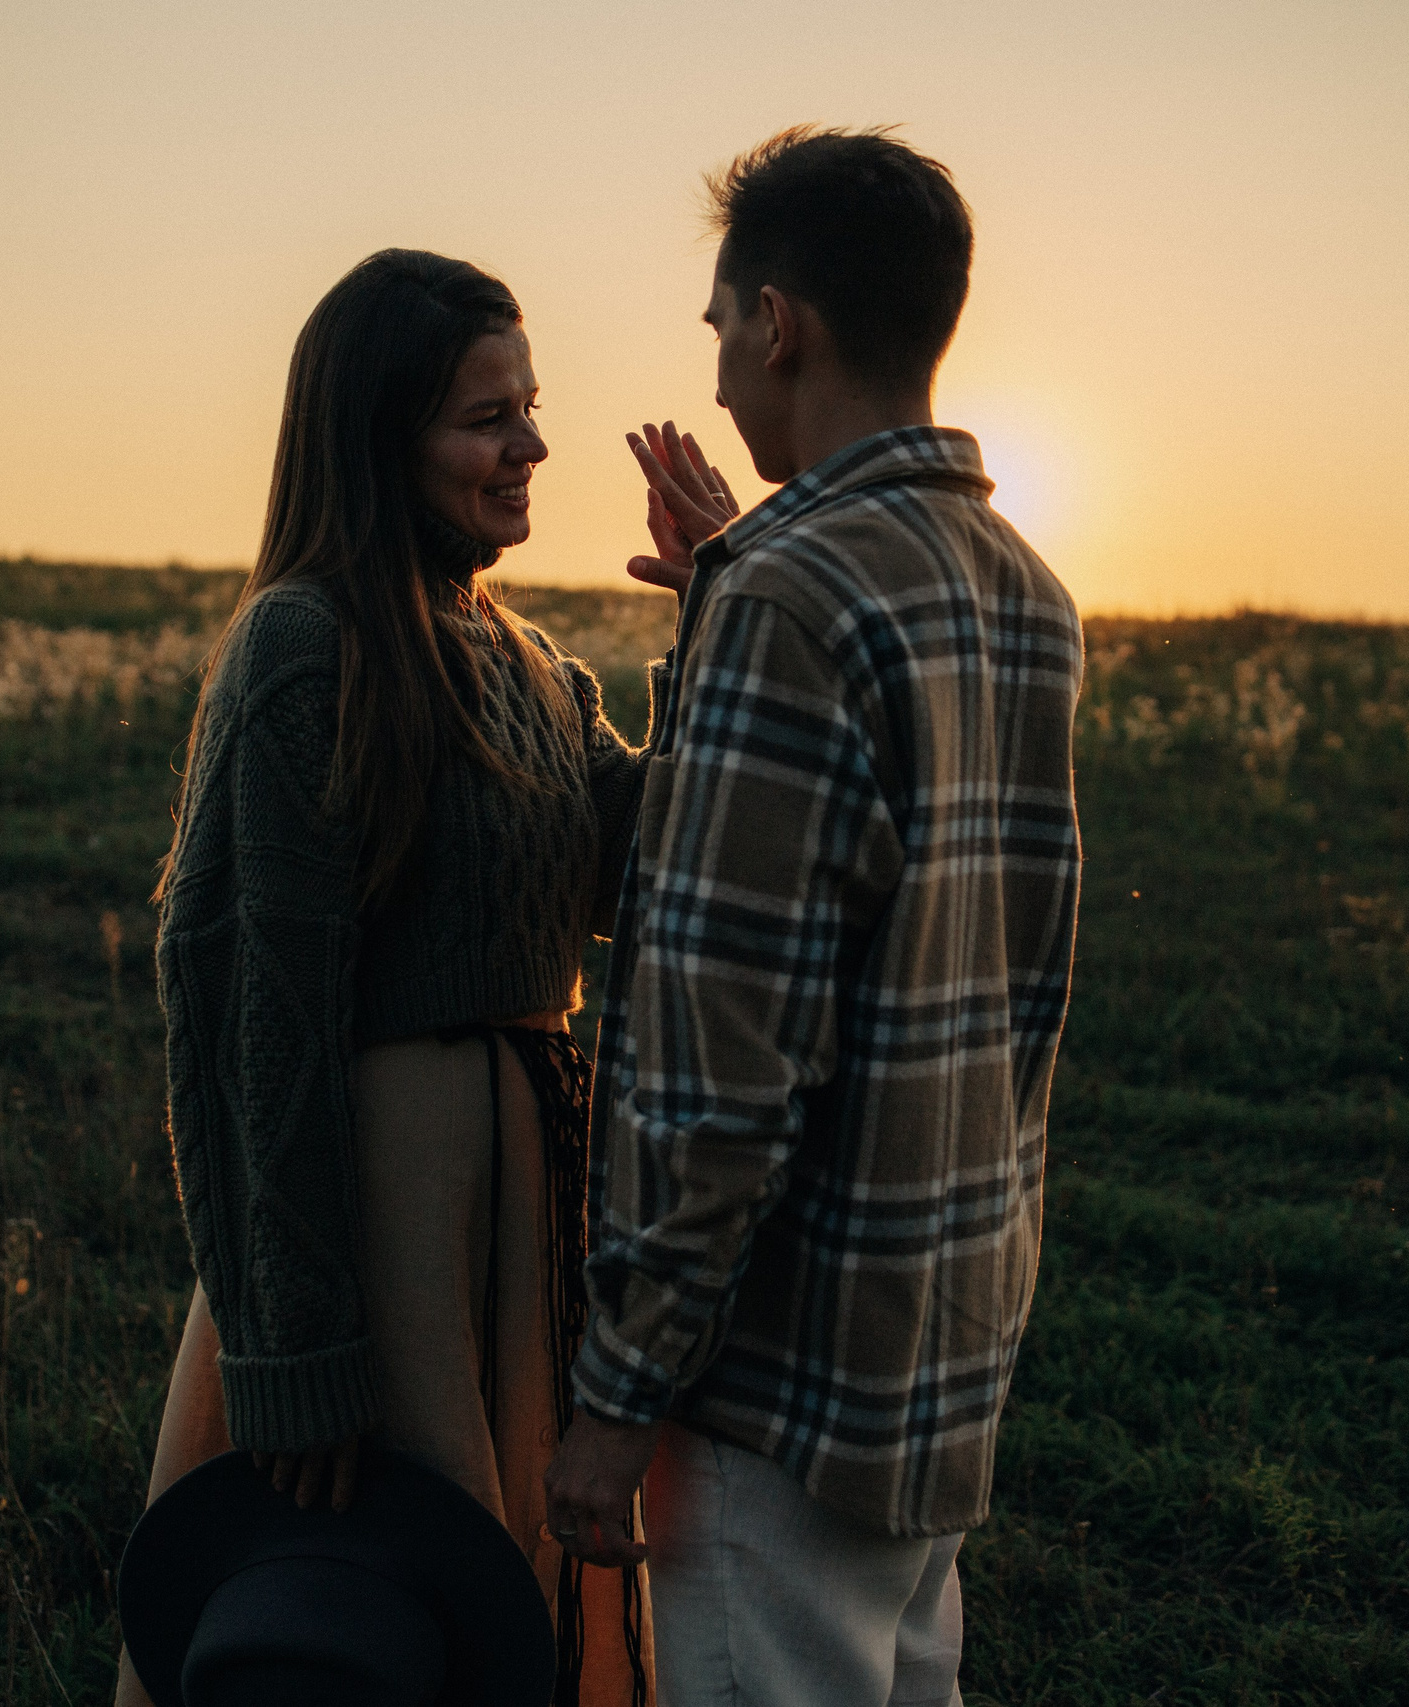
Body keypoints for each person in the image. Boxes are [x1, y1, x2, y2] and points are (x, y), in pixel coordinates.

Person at [544, 127, 1086, 1707]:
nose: (714, 377)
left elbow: (726, 1064)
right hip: (935, 1353)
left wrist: (618, 1386)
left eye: (719, 328)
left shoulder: (790, 601)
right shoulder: (1020, 587)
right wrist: (732, 579)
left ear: (779, 320)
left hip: (771, 1396)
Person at [120, 248, 664, 1706]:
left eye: (530, 407)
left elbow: (631, 872)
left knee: (496, 1605)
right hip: (380, 1229)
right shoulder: (308, 648)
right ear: (382, 440)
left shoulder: (536, 662)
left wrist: (726, 618)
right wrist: (293, 1347)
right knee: (360, 1620)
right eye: (488, 418)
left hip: (521, 1208)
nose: (532, 445)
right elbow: (248, 1010)